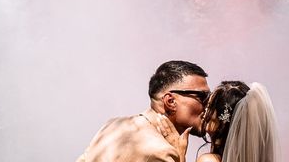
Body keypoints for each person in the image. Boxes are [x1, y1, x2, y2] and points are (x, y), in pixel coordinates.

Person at [76, 60, 210, 162]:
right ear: (170, 101)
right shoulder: (162, 152)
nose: (209, 104)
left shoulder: (112, 125)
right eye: (203, 96)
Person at [197, 81, 280, 162]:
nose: (205, 111)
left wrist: (183, 154)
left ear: (223, 119)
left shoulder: (208, 160)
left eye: (211, 106)